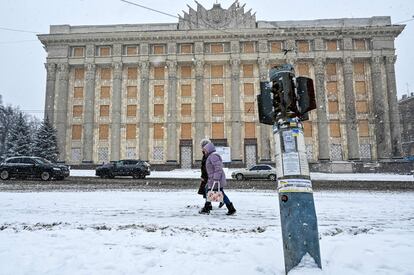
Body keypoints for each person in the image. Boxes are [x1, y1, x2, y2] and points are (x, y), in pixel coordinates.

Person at [199, 141, 236, 215]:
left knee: (212, 192)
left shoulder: (213, 156)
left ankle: (207, 208)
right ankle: (230, 208)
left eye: (205, 150)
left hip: (215, 179)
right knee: (210, 191)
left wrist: (216, 178)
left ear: (208, 149)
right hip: (212, 179)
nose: (204, 151)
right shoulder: (210, 156)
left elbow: (218, 168)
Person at [198, 139, 224, 212]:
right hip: (207, 175)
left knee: (209, 190)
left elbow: (214, 167)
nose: (202, 148)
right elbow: (204, 166)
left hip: (209, 176)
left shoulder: (210, 155)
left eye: (203, 147)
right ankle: (208, 205)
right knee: (208, 191)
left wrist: (214, 177)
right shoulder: (206, 154)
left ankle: (208, 206)